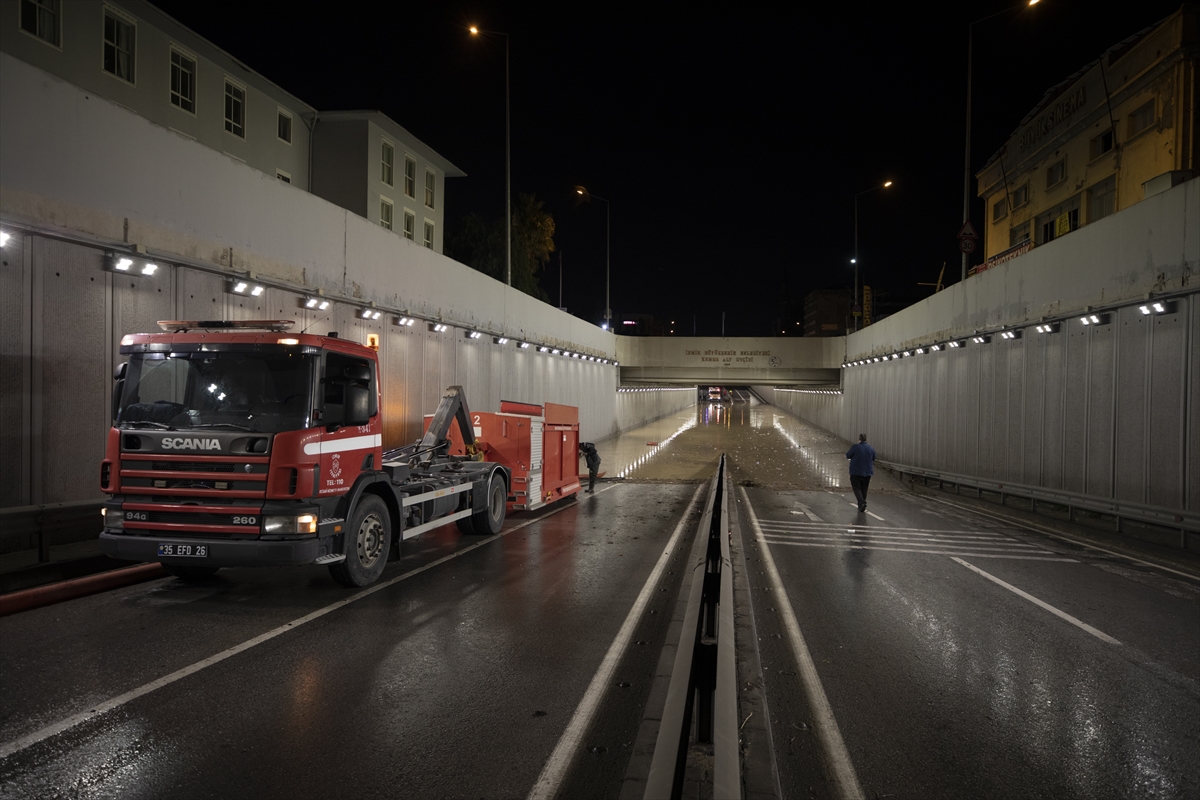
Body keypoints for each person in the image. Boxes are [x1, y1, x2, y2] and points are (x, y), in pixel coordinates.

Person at [846, 433, 876, 512]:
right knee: (864, 489)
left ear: (859, 439)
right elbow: (874, 458)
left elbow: (848, 455)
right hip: (867, 472)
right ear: (866, 439)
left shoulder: (855, 447)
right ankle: (861, 506)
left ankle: (862, 503)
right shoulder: (871, 448)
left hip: (856, 471)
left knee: (856, 488)